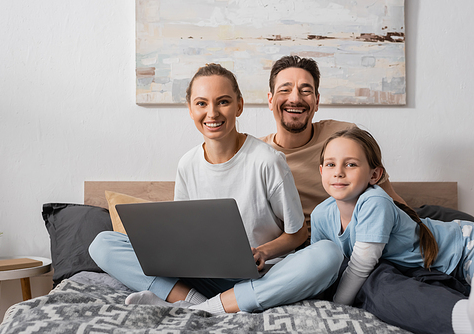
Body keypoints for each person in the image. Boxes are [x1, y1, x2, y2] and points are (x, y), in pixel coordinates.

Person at [89, 63, 343, 314]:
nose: (212, 113)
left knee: (328, 254)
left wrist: (262, 251)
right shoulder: (187, 164)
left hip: (263, 276)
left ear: (239, 106)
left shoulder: (268, 161)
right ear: (190, 109)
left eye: (223, 102)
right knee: (103, 243)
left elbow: (297, 235)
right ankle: (196, 301)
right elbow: (183, 233)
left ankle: (207, 308)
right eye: (201, 103)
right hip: (205, 277)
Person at [261, 55, 470, 334]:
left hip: (387, 219)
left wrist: (404, 221)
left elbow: (382, 190)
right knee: (379, 281)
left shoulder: (341, 134)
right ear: (270, 98)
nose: (295, 98)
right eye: (285, 89)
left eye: (306, 90)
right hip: (340, 238)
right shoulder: (262, 159)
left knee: (443, 218)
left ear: (317, 100)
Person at [311, 127, 474, 333]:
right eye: (330, 164)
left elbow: (361, 264)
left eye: (350, 164)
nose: (338, 172)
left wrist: (338, 304)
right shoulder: (320, 215)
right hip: (429, 269)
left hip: (464, 245)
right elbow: (320, 264)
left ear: (375, 174)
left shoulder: (374, 201)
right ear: (321, 171)